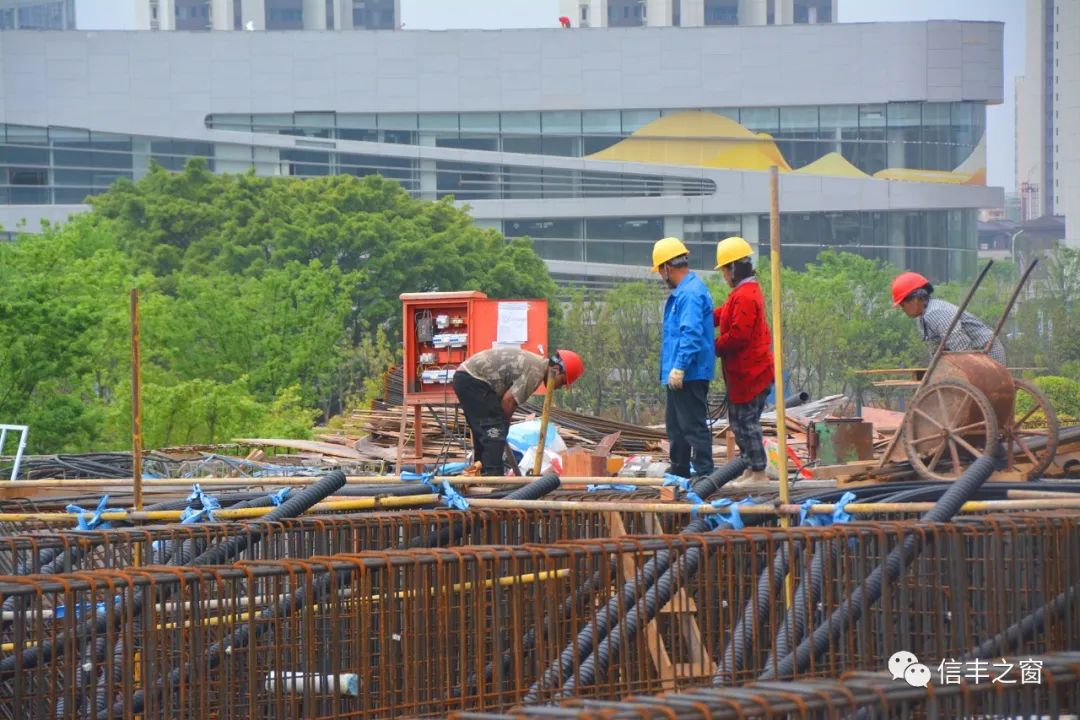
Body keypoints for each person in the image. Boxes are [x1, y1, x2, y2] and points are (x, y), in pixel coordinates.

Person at [452, 347, 584, 476]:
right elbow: (508, 401)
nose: (558, 387)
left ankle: (480, 471)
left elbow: (505, 400)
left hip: (467, 378)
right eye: (561, 382)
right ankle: (492, 478)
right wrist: (503, 429)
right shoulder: (535, 372)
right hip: (473, 380)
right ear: (556, 369)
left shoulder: (537, 365)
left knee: (485, 432)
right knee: (494, 431)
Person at [712, 236, 774, 485]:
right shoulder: (741, 294)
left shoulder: (746, 295)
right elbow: (724, 314)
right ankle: (750, 468)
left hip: (752, 373)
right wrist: (703, 316)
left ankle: (758, 471)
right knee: (737, 423)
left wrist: (711, 347)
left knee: (747, 422)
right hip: (743, 374)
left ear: (733, 268)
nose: (724, 276)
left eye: (725, 270)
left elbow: (738, 336)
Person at [653, 236, 716, 480]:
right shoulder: (685, 292)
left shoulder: (690, 294)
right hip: (679, 373)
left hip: (689, 372)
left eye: (660, 270)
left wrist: (679, 367)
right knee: (676, 426)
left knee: (692, 426)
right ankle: (679, 468)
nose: (661, 276)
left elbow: (690, 333)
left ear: (668, 267)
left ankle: (704, 473)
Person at [891, 271, 1006, 365]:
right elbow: (935, 350)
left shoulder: (935, 312)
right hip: (975, 356)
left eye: (902, 304)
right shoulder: (922, 318)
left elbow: (961, 346)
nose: (902, 308)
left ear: (916, 299)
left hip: (987, 354)